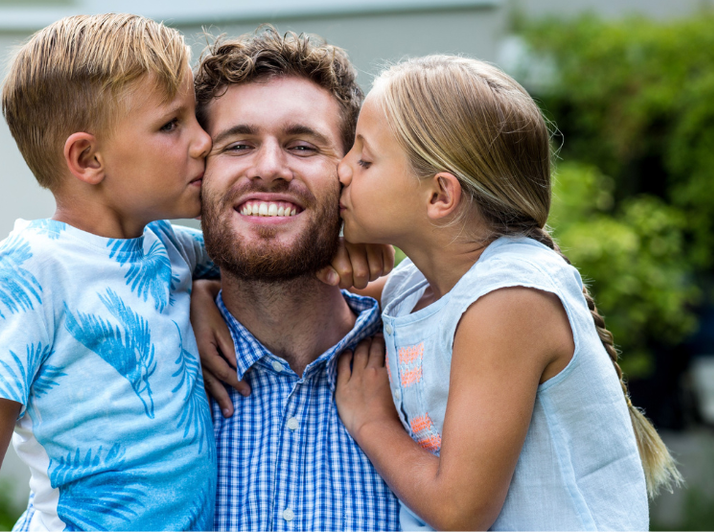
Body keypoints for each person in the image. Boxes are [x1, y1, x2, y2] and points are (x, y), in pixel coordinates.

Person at [334, 55, 683, 531]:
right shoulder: (417, 286)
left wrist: (371, 421)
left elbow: (460, 512)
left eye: (364, 158)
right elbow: (325, 302)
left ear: (440, 196)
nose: (342, 170)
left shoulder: (508, 299)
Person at [0, 14, 219, 530]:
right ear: (88, 157)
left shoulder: (171, 247)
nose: (204, 141)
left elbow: (256, 265)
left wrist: (337, 254)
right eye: (172, 124)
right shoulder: (29, 269)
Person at [191, 28, 400, 531]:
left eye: (302, 146)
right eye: (238, 145)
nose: (269, 168)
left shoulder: (427, 352)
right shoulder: (147, 357)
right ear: (196, 174)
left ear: (350, 173)